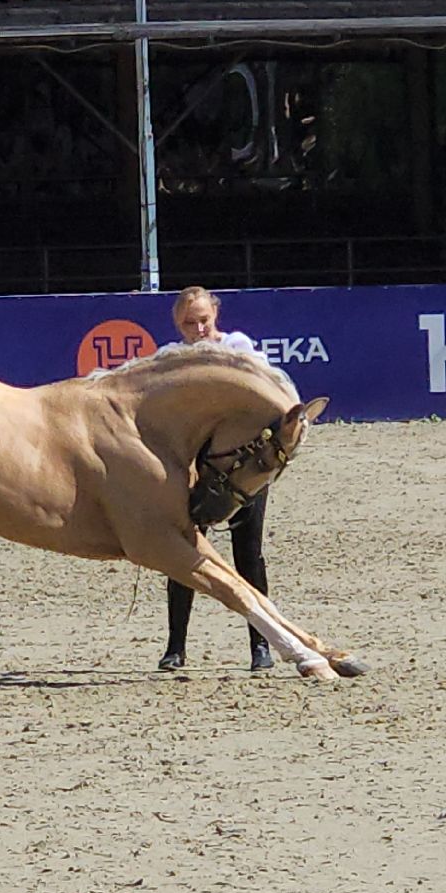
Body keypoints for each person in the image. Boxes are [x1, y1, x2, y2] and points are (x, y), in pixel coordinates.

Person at [156, 285, 276, 674]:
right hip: (193, 468)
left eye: (204, 320)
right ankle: (176, 647)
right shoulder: (171, 360)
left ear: (216, 316)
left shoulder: (241, 349)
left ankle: (262, 644)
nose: (199, 329)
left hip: (240, 468)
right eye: (190, 323)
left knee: (248, 556)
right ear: (178, 325)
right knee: (183, 553)